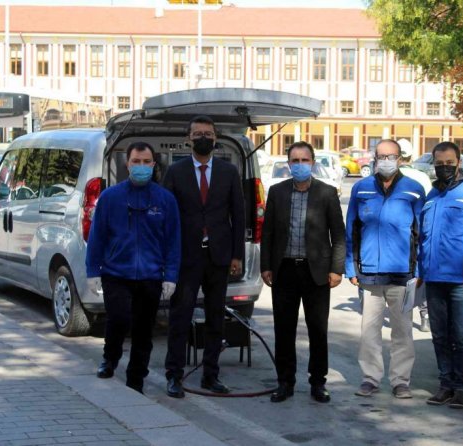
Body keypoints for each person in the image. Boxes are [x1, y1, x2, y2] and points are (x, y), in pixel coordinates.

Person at [86, 141, 181, 394]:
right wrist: (92, 271)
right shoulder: (110, 197)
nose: (141, 166)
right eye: (136, 162)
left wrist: (170, 276)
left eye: (146, 162)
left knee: (143, 329)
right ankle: (110, 357)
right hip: (116, 273)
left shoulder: (165, 200)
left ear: (153, 164)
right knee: (118, 319)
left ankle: (136, 378)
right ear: (127, 164)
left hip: (150, 275)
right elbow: (97, 237)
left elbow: (173, 241)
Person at [163, 115, 245, 398]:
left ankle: (211, 375)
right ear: (188, 139)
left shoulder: (228, 171)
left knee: (215, 318)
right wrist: (168, 256)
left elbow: (238, 215)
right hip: (186, 257)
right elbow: (167, 217)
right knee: (180, 317)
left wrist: (237, 255)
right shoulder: (175, 172)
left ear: (215, 138)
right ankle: (174, 375)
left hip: (219, 257)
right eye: (197, 133)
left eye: (208, 133)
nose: (203, 138)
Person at [260, 141, 345, 404]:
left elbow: (338, 235)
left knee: (317, 330)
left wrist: (337, 269)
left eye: (304, 160)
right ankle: (285, 382)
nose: (299, 165)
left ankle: (318, 382)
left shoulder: (327, 193)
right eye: (294, 161)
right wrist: (266, 265)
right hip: (284, 270)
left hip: (316, 271)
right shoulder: (277, 192)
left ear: (313, 162)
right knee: (284, 329)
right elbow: (268, 232)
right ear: (288, 164)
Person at [346, 139, 425, 399]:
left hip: (403, 274)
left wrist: (420, 269)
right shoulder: (361, 188)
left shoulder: (414, 190)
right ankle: (370, 378)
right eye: (381, 156)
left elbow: (422, 233)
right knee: (369, 331)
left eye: (391, 156)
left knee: (403, 331)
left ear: (400, 159)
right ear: (375, 159)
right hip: (369, 274)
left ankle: (401, 381)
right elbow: (351, 231)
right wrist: (350, 267)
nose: (386, 161)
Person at [417, 141, 463, 409]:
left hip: (461, 280)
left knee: (461, 337)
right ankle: (445, 384)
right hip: (433, 279)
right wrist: (420, 272)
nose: (444, 167)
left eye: (449, 163)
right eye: (439, 164)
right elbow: (422, 238)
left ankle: (461, 388)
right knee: (439, 336)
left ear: (459, 163)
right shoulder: (431, 196)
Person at [397, 138, 432, 332]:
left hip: (398, 234)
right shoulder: (422, 177)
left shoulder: (391, 176)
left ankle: (402, 314)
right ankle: (424, 315)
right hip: (419, 232)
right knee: (419, 274)